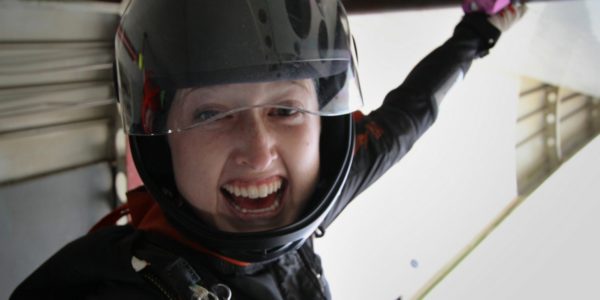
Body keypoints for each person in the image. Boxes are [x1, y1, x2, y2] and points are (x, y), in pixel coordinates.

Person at [11, 0, 525, 299]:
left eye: (285, 109)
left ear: (322, 128)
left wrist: (478, 33)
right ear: (162, 150)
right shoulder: (105, 285)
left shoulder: (321, 184)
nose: (257, 154)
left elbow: (407, 117)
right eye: (210, 114)